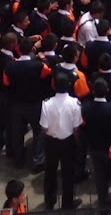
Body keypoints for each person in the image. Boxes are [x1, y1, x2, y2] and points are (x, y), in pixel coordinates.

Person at [39, 75, 83, 211]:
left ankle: (50, 201)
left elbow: (44, 128)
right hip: (68, 142)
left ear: (54, 85)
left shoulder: (46, 104)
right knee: (68, 173)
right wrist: (76, 143)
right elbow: (76, 128)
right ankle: (67, 204)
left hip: (51, 142)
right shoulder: (75, 104)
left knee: (50, 172)